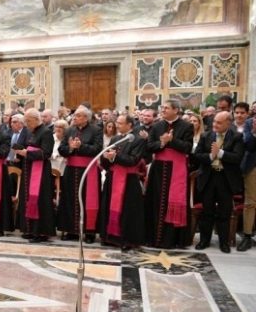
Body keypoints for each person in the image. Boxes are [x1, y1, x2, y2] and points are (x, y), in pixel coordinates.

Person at [144, 99, 193, 249]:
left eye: (166, 108)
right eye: (162, 107)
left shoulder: (187, 126)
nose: (163, 110)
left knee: (173, 202)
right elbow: (149, 146)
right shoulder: (156, 126)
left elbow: (188, 147)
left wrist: (172, 141)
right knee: (156, 201)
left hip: (177, 170)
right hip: (158, 170)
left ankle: (173, 239)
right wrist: (162, 143)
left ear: (176, 110)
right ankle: (153, 238)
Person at [192, 111, 244, 253]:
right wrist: (211, 156)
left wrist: (220, 153)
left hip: (225, 179)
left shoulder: (236, 137)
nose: (215, 124)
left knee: (224, 213)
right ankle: (204, 240)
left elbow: (237, 157)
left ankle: (223, 242)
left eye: (219, 122)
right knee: (206, 212)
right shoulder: (206, 135)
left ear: (228, 123)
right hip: (208, 178)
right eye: (214, 121)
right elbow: (197, 155)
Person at [99, 115, 146, 249]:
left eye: (120, 123)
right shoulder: (115, 138)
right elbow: (108, 160)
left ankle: (126, 240)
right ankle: (110, 237)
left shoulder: (138, 139)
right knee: (109, 206)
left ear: (129, 125)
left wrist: (115, 156)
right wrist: (106, 158)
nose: (117, 125)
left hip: (129, 180)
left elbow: (133, 160)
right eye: (117, 123)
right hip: (113, 177)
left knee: (127, 211)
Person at [57, 106, 103, 243]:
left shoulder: (96, 130)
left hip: (88, 170)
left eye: (78, 115)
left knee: (88, 200)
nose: (74, 118)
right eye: (75, 115)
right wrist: (70, 148)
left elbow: (97, 149)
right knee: (70, 199)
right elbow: (61, 149)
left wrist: (81, 146)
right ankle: (72, 231)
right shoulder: (70, 130)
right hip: (71, 170)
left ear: (86, 118)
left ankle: (89, 233)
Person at [16, 109, 56, 243]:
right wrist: (20, 151)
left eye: (28, 121)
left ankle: (42, 232)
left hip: (41, 172)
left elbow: (46, 153)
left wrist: (27, 153)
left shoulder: (46, 132)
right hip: (29, 169)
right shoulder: (31, 131)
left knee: (41, 200)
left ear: (35, 119)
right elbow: (27, 147)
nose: (26, 124)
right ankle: (30, 229)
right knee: (28, 199)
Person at [238, 115, 256, 251]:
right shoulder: (250, 123)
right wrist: (254, 132)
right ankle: (247, 236)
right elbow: (248, 146)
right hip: (253, 167)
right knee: (250, 202)